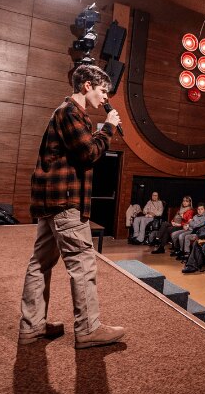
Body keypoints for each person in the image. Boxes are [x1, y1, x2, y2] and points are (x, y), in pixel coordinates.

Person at [18, 64, 125, 349]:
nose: (106, 97)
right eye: (103, 91)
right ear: (87, 85)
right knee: (83, 263)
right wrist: (109, 128)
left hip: (52, 201)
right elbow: (89, 153)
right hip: (65, 202)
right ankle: (89, 329)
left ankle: (32, 326)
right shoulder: (70, 112)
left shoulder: (67, 113)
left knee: (40, 264)